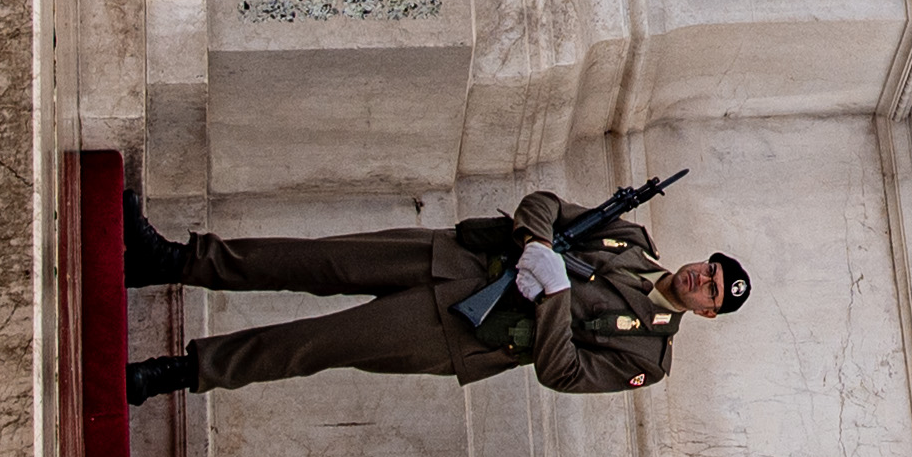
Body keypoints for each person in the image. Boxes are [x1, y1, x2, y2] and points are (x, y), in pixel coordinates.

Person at [120, 181, 742, 400]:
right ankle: (168, 260)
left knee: (312, 344)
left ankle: (173, 374)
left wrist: (553, 295)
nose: (700, 280)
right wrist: (532, 243)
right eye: (708, 268)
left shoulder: (647, 359)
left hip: (463, 328)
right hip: (455, 256)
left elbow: (563, 373)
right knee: (312, 260)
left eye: (711, 291)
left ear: (708, 313)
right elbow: (545, 204)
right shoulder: (630, 238)